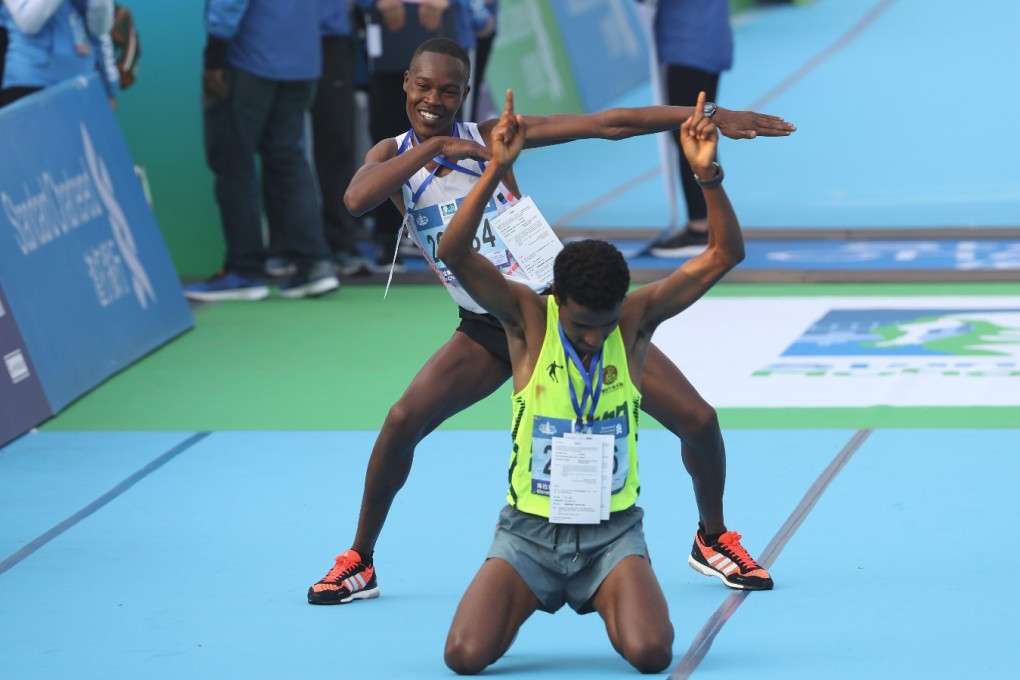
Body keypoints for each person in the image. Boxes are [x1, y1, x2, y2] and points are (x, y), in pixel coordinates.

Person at [307, 38, 790, 606]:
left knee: (699, 421)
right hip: (487, 322)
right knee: (401, 421)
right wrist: (434, 147)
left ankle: (712, 538)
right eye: (425, 87)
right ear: (406, 84)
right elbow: (356, 199)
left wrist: (708, 113)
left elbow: (608, 124)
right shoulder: (392, 156)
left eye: (449, 90)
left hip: (561, 314)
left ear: (466, 93)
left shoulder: (494, 136)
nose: (434, 99)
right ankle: (360, 560)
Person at [439, 89, 744, 674]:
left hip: (611, 536)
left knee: (651, 654)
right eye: (581, 326)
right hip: (528, 535)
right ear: (559, 301)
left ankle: (631, 576)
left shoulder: (633, 322)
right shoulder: (527, 320)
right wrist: (496, 168)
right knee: (464, 657)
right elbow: (454, 251)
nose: (594, 338)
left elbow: (724, 253)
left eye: (604, 326)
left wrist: (708, 177)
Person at [183, 0, 339, 302]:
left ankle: (244, 270)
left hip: (250, 57)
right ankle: (315, 265)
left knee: (234, 161)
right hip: (302, 57)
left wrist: (214, 54)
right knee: (288, 160)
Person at [648, 0, 732, 258]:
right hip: (709, 38)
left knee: (690, 135)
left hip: (687, 43)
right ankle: (711, 222)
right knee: (700, 133)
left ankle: (701, 225)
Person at [1, 0, 119, 108]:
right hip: (33, 82)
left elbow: (100, 30)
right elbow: (28, 22)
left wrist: (110, 87)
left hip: (81, 83)